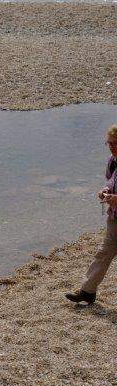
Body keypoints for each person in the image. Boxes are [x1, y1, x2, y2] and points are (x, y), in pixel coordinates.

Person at [66, 124, 117, 305]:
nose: (112, 147)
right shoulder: (113, 160)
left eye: (115, 143)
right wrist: (105, 191)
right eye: (109, 143)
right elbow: (111, 181)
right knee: (103, 253)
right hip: (114, 218)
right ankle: (87, 292)